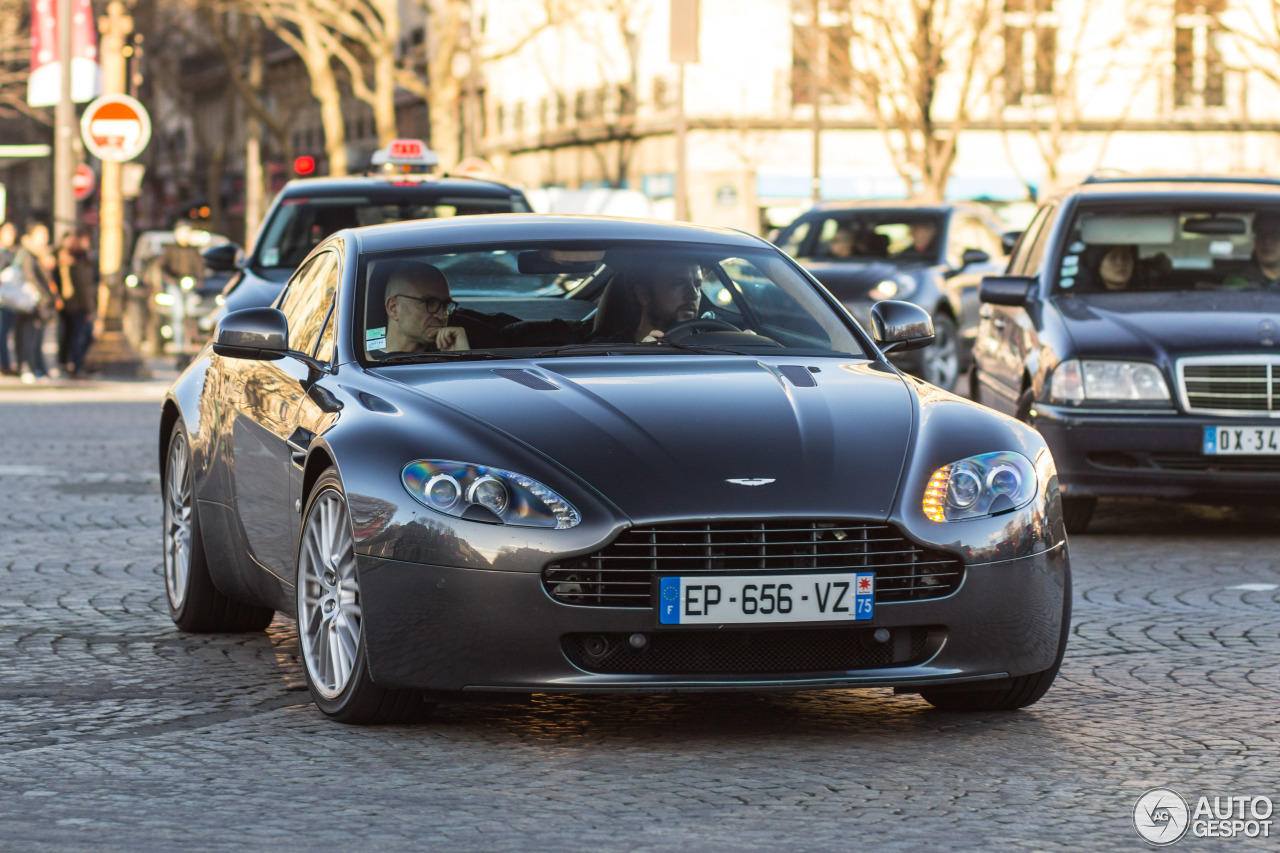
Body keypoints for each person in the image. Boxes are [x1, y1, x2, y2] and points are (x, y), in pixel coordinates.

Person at [376, 261, 516, 355]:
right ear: (393, 308)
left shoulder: (454, 349)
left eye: (445, 305)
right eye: (429, 303)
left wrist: (460, 357)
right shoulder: (361, 362)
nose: (442, 315)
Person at [591, 255, 703, 343]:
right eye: (679, 283)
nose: (694, 294)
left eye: (698, 284)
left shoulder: (709, 343)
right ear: (644, 295)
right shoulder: (606, 353)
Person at [12, 222, 61, 383]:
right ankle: (26, 367)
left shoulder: (41, 255)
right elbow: (31, 277)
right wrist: (46, 295)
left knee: (37, 336)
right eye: (41, 234)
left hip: (40, 302)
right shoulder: (27, 253)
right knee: (27, 335)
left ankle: (38, 367)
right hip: (29, 301)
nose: (45, 238)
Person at [54, 229, 98, 378]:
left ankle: (68, 363)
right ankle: (75, 366)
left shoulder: (79, 258)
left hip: (72, 304)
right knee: (80, 336)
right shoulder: (73, 260)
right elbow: (83, 287)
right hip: (76, 305)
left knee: (71, 335)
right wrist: (90, 309)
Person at [160, 221, 205, 354]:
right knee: (178, 313)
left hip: (190, 285)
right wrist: (171, 280)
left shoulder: (193, 250)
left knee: (192, 311)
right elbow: (163, 268)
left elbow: (200, 267)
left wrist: (198, 280)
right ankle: (178, 343)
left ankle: (192, 341)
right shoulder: (170, 249)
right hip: (175, 284)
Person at [1222, 212, 1280, 290]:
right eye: (1261, 234)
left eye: (1275, 234)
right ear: (1254, 241)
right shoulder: (1237, 283)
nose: (1267, 241)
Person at [0, 222, 17, 375]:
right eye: (7, 232)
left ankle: (6, 364)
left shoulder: (12, 252)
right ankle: (4, 364)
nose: (11, 236)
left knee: (5, 332)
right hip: (3, 296)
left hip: (9, 298)